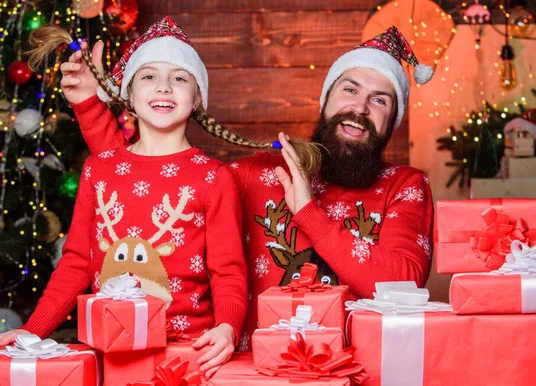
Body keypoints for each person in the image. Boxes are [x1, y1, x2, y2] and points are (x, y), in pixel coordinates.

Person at [52, 25, 436, 350]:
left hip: (356, 370)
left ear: (393, 120)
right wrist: (89, 105)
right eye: (349, 90)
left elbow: (402, 285)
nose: (360, 108)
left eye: (380, 99)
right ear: (326, 100)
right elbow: (148, 181)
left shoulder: (404, 185)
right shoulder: (262, 172)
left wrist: (309, 213)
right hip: (249, 370)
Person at [0, 17, 264, 377]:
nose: (164, 87)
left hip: (186, 353)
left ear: (197, 98)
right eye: (148, 76)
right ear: (128, 96)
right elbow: (75, 263)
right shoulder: (98, 170)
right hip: (110, 352)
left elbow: (228, 271)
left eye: (179, 78)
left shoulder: (214, 177)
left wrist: (227, 327)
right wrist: (31, 332)